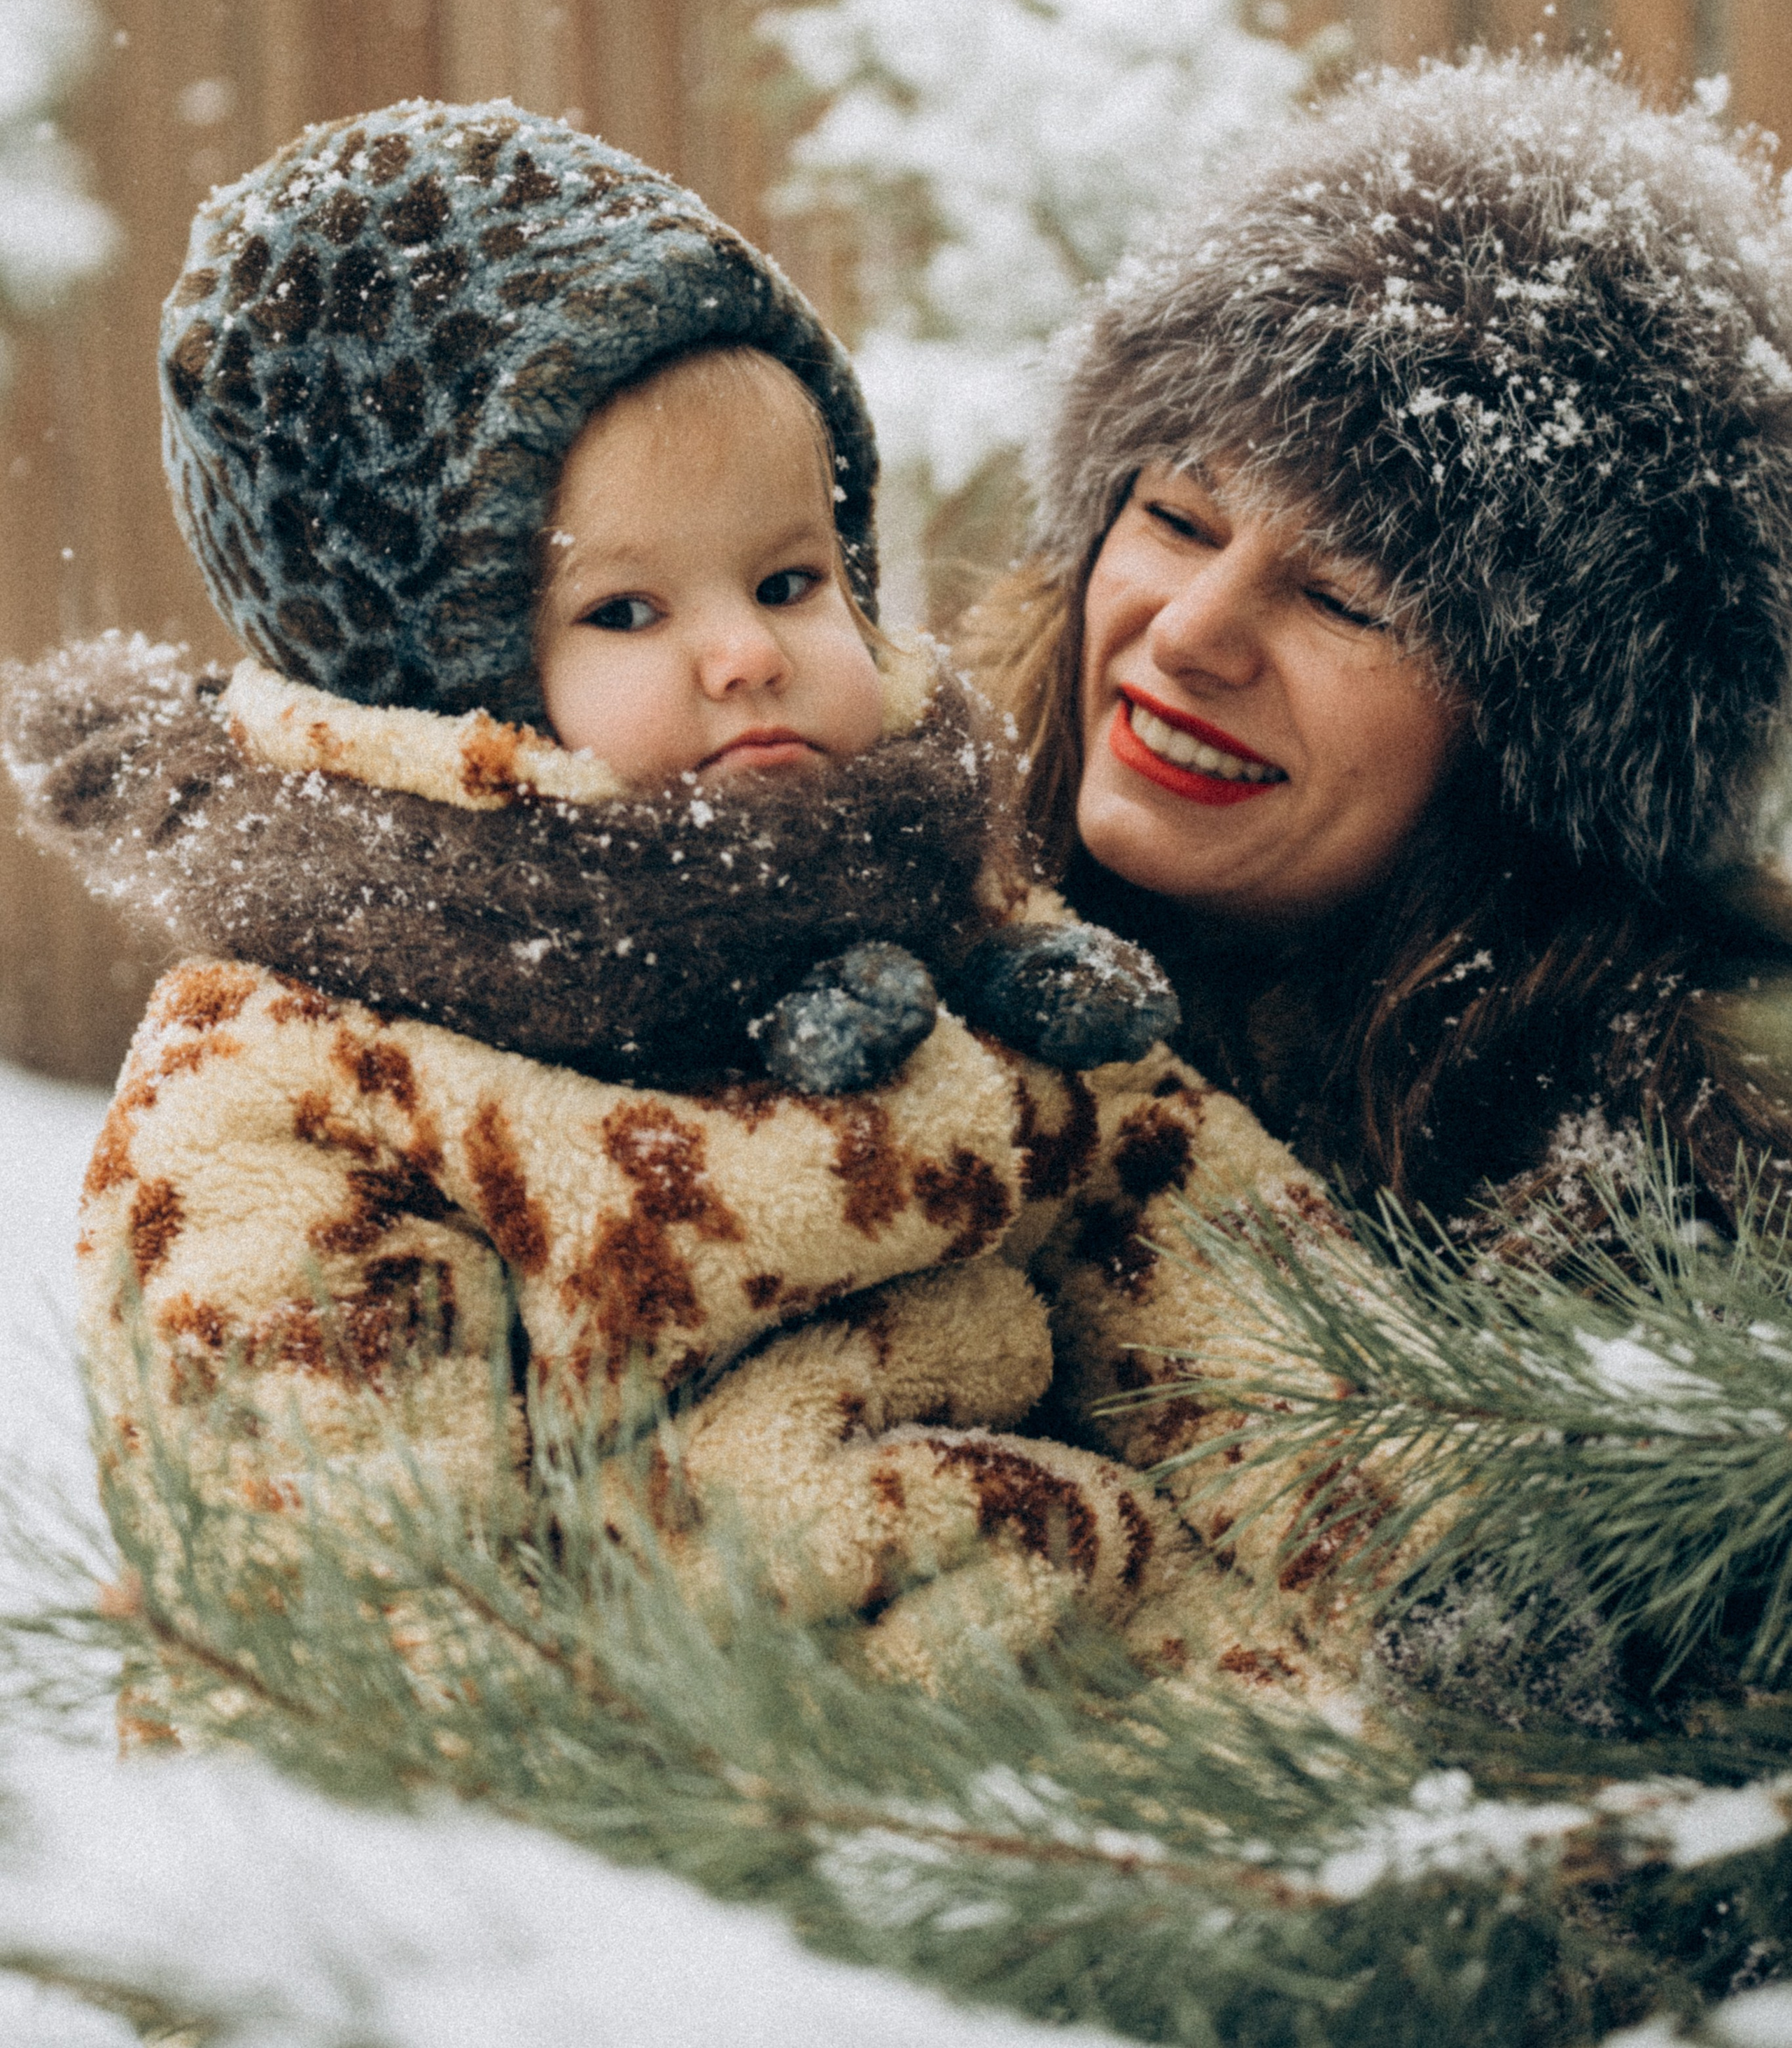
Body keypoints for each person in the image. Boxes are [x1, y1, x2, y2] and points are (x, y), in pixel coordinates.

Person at [10, 98, 1361, 1724]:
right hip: (709, 1777)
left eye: (790, 580)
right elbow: (344, 1623)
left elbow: (1251, 1326)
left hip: (1122, 1679)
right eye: (628, 609)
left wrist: (1452, 1578)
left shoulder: (964, 941)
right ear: (450, 686)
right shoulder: (297, 1078)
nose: (744, 652)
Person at [963, 50, 1792, 1258]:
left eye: (1346, 602)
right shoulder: (860, 885)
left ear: (1540, 752)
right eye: (1178, 520)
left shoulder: (1691, 1184)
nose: (1190, 634)